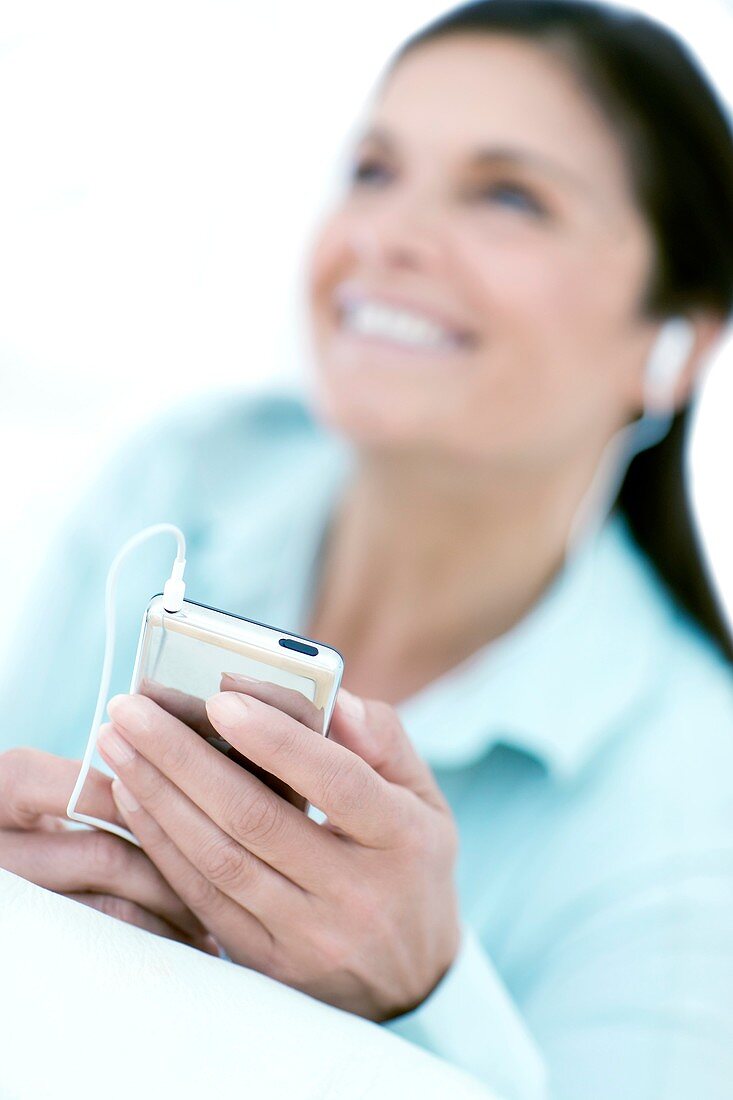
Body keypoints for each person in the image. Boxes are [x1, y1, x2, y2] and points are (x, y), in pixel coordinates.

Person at [1, 1, 733, 1096]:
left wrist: (419, 1001)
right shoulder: (184, 474)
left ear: (675, 347)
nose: (384, 236)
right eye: (374, 170)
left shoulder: (694, 799)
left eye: (507, 195)